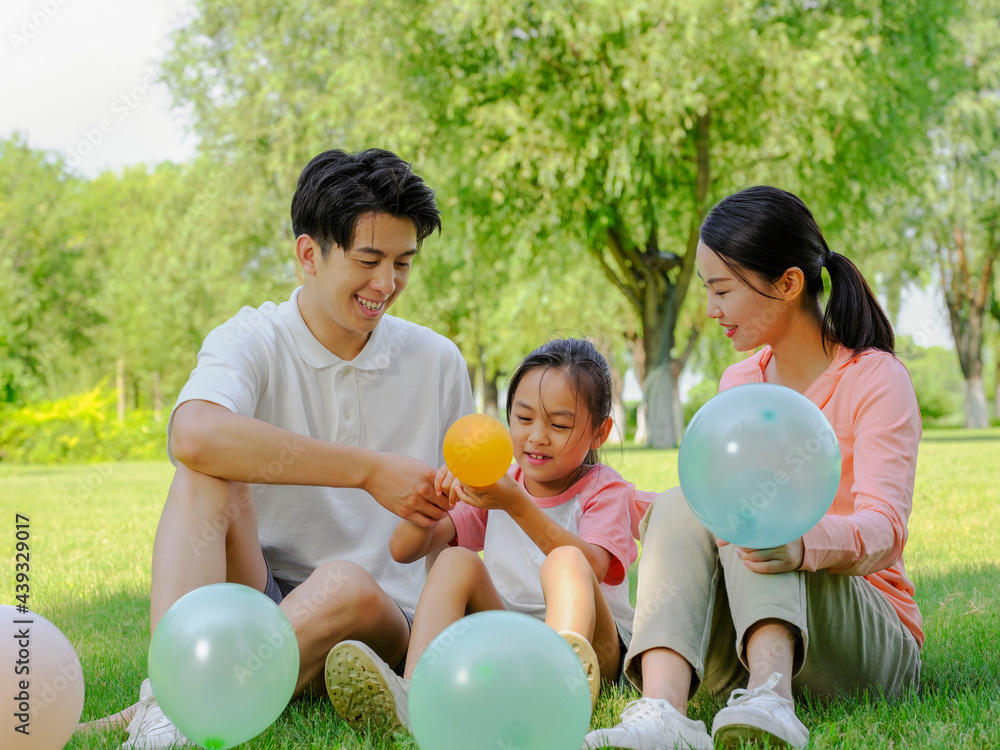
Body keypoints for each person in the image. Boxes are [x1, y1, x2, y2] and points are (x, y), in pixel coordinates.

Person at [117, 148, 474, 749]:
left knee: (343, 583)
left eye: (403, 263)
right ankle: (169, 697)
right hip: (262, 594)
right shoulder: (253, 338)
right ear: (309, 254)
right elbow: (193, 435)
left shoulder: (438, 361)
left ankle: (188, 701)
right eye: (369, 260)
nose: (386, 285)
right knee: (205, 472)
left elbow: (463, 525)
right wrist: (366, 471)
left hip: (382, 616)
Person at [584, 185, 923, 750]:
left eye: (722, 290)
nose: (712, 310)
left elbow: (886, 529)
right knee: (678, 500)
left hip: (867, 643)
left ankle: (773, 694)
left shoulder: (875, 377)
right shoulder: (739, 384)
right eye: (707, 290)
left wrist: (803, 543)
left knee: (761, 512)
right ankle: (662, 713)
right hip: (745, 632)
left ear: (789, 284)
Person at [324, 338, 656, 734]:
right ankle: (414, 693)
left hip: (596, 650)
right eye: (524, 418)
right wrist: (439, 496)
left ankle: (551, 689)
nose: (536, 436)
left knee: (567, 561)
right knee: (454, 560)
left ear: (599, 433)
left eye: (559, 424)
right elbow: (402, 550)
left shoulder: (605, 489)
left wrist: (515, 504)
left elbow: (596, 566)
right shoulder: (501, 485)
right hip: (510, 640)